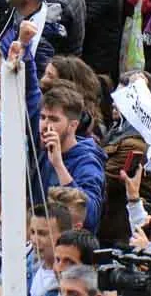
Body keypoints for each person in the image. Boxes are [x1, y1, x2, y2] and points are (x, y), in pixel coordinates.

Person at [32, 87, 106, 232]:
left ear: (73, 125)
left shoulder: (88, 162)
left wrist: (59, 166)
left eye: (53, 119)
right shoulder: (44, 150)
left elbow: (90, 216)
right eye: (42, 117)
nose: (45, 125)